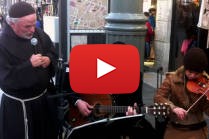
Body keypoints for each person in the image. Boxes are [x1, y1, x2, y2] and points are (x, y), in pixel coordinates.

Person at [0, 2, 59, 139]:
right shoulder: (2, 43)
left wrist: (49, 60)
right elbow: (5, 78)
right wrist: (29, 65)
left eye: (34, 24)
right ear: (12, 24)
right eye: (27, 26)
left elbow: (52, 51)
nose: (32, 30)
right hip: (19, 107)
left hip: (43, 101)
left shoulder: (38, 33)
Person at [154, 47, 209, 139]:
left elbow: (207, 110)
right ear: (185, 67)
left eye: (197, 73)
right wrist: (173, 107)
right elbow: (159, 97)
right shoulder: (172, 78)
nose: (193, 76)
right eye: (190, 72)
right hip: (175, 127)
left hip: (197, 129)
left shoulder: (206, 83)